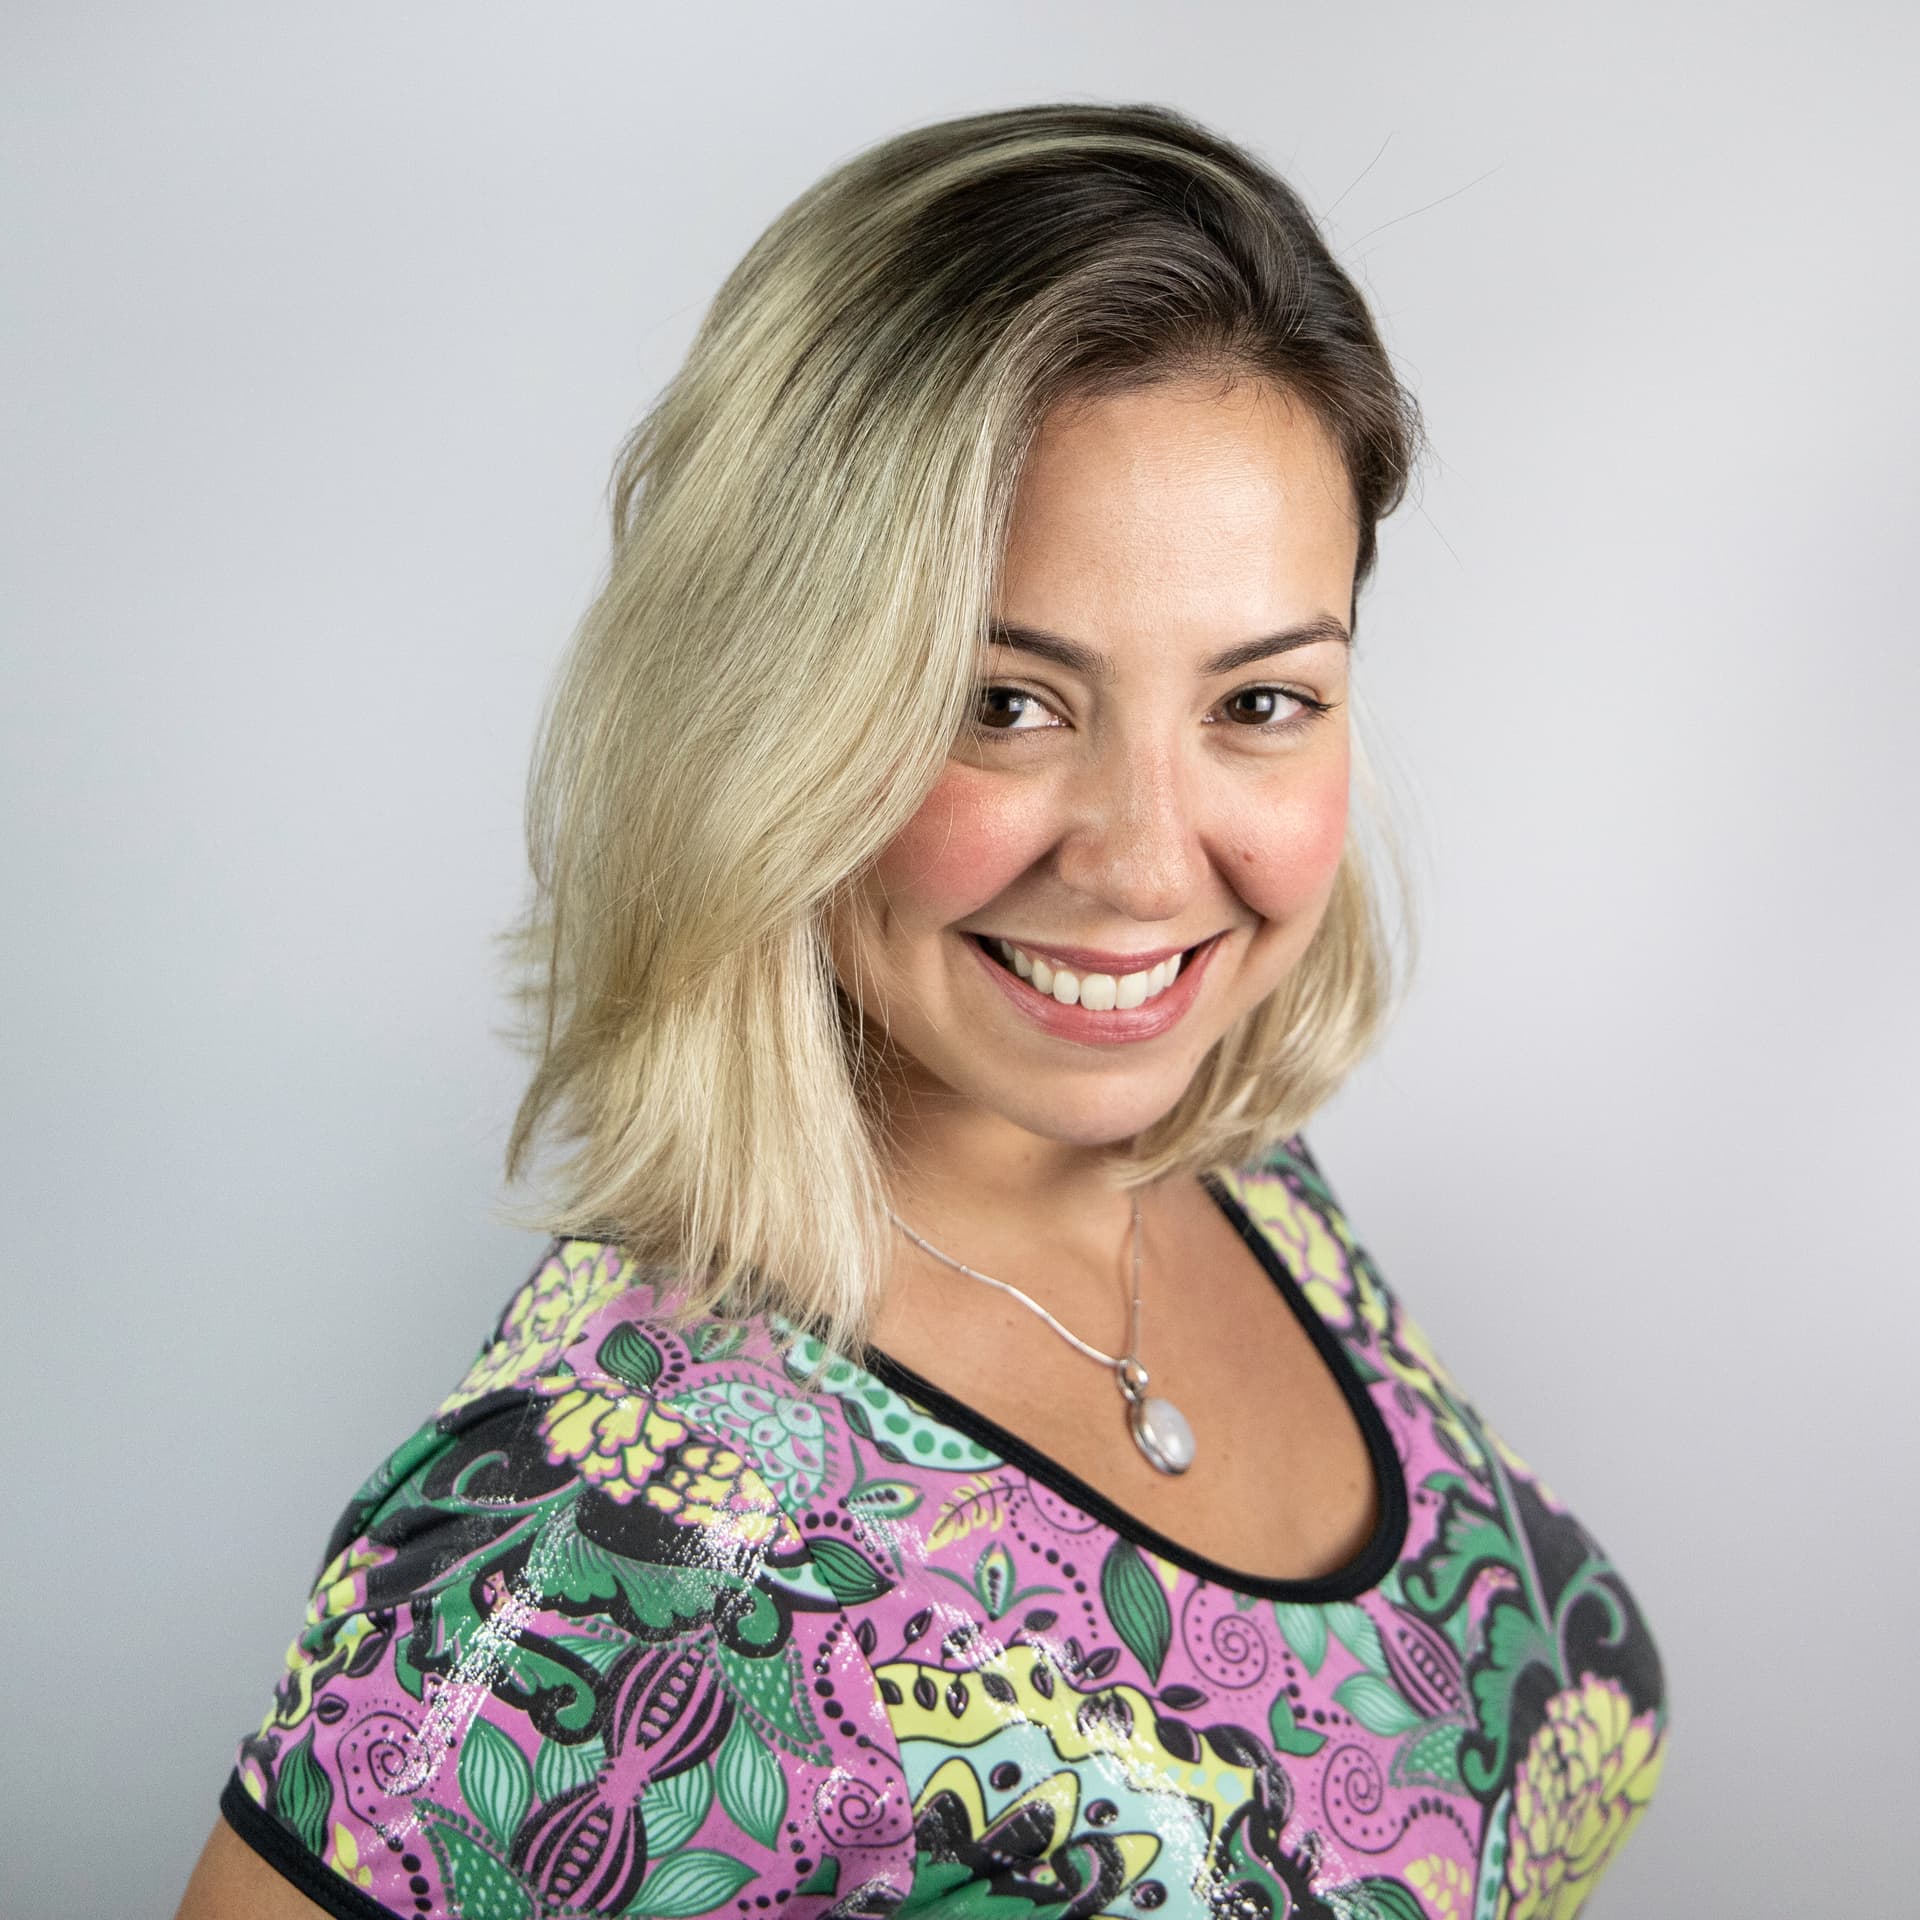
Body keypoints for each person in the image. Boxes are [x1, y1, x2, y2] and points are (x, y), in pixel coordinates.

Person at [176, 102, 1666, 1920]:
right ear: (771, 720)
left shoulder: (1221, 1158)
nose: (1144, 865)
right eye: (1006, 701)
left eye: (1260, 702)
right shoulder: (597, 1558)